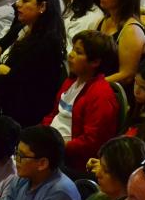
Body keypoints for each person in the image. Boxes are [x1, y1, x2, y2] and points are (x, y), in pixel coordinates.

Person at [43, 31, 119, 174]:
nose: (71, 55)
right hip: (53, 146)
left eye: (78, 52)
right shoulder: (71, 81)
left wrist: (56, 145)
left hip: (70, 161)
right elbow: (54, 115)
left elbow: (92, 142)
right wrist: (41, 133)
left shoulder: (101, 95)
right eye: (72, 49)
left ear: (95, 62)